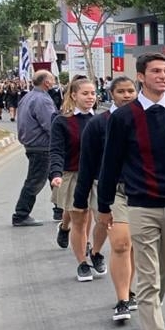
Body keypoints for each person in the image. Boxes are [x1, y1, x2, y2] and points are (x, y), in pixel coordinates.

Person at [97, 53, 165, 330]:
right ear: (141, 76)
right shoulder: (124, 118)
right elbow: (110, 164)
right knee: (149, 275)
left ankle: (151, 309)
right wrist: (104, 206)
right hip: (140, 206)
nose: (163, 76)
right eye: (155, 71)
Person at [75, 76, 137, 321]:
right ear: (111, 94)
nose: (127, 95)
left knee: (134, 246)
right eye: (121, 91)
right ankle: (122, 300)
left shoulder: (144, 120)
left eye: (131, 90)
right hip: (110, 190)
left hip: (141, 190)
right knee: (121, 243)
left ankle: (130, 290)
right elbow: (87, 163)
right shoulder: (98, 124)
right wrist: (80, 200)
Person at [49, 77, 98, 281]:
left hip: (96, 177)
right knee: (80, 218)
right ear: (74, 95)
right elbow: (56, 151)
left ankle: (90, 248)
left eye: (93, 93)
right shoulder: (62, 121)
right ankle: (82, 263)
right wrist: (56, 174)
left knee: (92, 217)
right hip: (73, 174)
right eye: (85, 93)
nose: (90, 97)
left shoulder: (102, 120)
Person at [12, 70, 58, 227]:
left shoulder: (28, 96)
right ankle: (21, 214)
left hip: (33, 145)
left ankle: (60, 210)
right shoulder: (42, 100)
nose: (54, 81)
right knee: (35, 181)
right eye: (52, 79)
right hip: (42, 146)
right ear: (46, 82)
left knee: (55, 177)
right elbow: (50, 125)